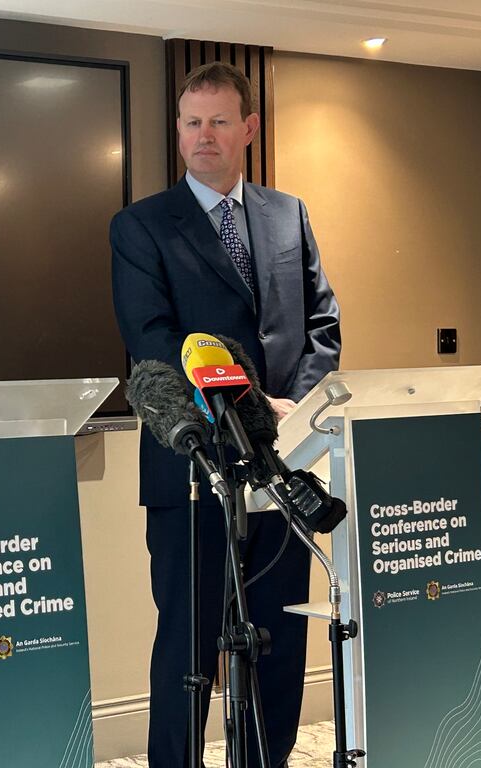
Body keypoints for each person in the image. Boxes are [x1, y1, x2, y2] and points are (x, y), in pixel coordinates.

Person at [110, 62, 340, 768]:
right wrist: (248, 407)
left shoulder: (288, 213)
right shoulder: (141, 226)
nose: (203, 136)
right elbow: (153, 342)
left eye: (217, 121)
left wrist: (293, 407)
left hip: (284, 474)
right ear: (177, 132)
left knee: (277, 640)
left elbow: (321, 327)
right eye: (190, 123)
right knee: (188, 645)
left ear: (248, 127)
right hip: (192, 471)